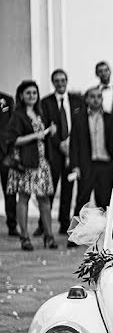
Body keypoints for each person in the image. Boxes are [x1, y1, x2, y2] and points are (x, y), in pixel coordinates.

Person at [5, 81, 57, 250]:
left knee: (44, 198)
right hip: (25, 163)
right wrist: (36, 135)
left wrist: (50, 132)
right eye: (28, 93)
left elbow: (42, 136)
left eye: (34, 93)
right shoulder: (18, 115)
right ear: (21, 95)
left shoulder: (39, 113)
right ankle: (24, 237)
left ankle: (49, 236)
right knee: (24, 198)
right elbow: (14, 140)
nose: (32, 96)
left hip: (41, 162)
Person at [39, 68, 81, 236]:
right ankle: (44, 224)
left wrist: (70, 144)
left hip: (73, 151)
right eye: (56, 80)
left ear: (66, 81)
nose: (60, 83)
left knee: (68, 190)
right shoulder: (46, 102)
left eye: (62, 80)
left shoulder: (77, 101)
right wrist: (59, 144)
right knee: (50, 189)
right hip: (54, 152)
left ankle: (64, 224)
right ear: (53, 83)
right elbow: (45, 127)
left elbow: (79, 125)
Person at [70, 86, 113, 220]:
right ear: (86, 99)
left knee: (105, 201)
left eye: (99, 96)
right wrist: (75, 166)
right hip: (86, 164)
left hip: (105, 165)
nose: (96, 100)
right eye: (92, 96)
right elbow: (74, 144)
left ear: (102, 99)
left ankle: (105, 235)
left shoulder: (110, 118)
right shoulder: (79, 118)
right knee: (82, 201)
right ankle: (74, 237)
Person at [0, 89, 17, 235]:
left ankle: (12, 225)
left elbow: (13, 128)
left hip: (5, 154)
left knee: (9, 191)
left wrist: (11, 153)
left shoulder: (7, 99)